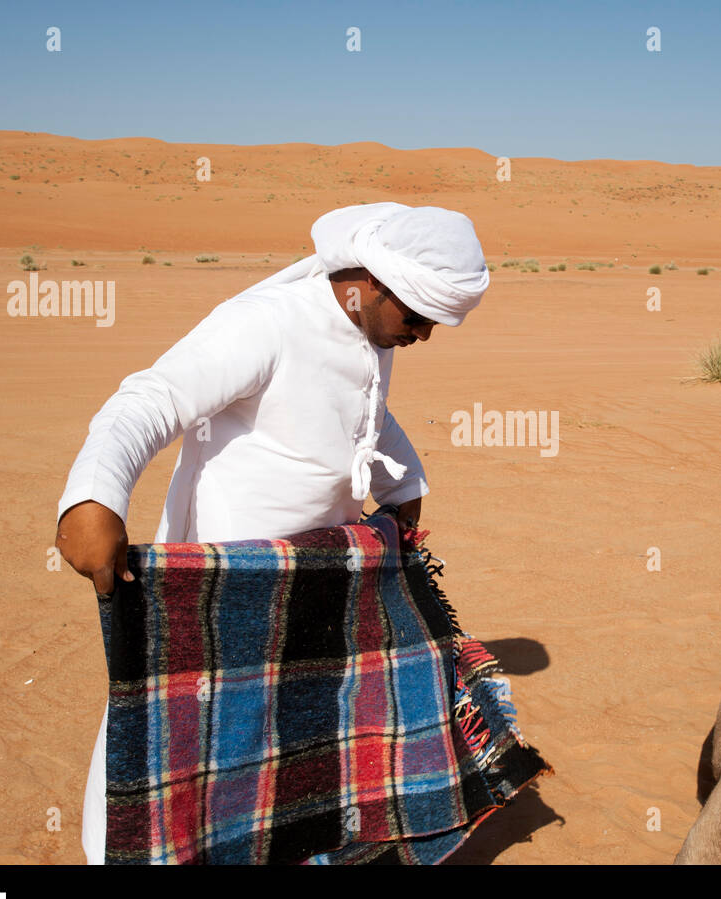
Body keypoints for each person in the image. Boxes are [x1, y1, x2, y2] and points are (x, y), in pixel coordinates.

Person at [52, 202, 490, 864]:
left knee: (297, 745)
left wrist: (404, 489)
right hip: (228, 589)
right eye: (418, 317)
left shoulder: (370, 335)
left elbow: (368, 411)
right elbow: (152, 398)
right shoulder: (267, 324)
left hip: (312, 584)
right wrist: (92, 496)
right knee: (186, 747)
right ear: (370, 283)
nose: (424, 334)